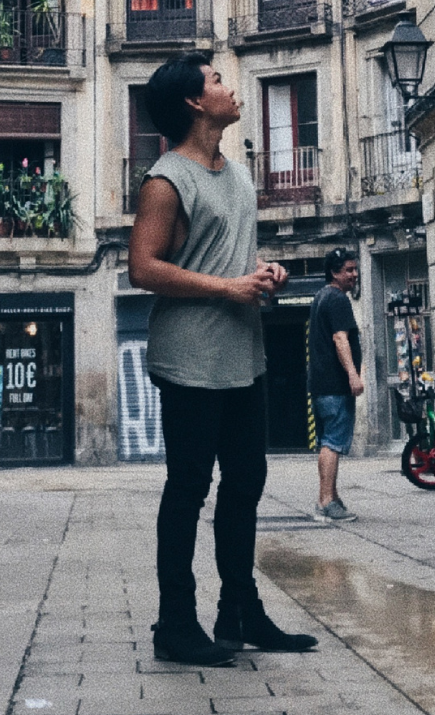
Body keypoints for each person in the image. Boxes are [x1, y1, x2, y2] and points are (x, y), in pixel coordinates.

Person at [128, 52, 318, 666]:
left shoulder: (236, 175)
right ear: (193, 102)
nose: (229, 88)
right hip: (189, 358)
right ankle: (174, 625)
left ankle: (239, 611)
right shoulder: (165, 180)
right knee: (187, 489)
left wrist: (263, 275)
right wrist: (229, 288)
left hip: (244, 353)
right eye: (216, 81)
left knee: (245, 484)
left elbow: (229, 257)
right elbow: (143, 267)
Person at [307, 247, 363, 521]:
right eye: (349, 270)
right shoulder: (338, 299)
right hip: (335, 386)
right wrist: (353, 374)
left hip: (320, 385)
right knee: (332, 443)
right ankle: (327, 501)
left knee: (328, 443)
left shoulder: (320, 297)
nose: (354, 274)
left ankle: (328, 497)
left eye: (355, 269)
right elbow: (340, 339)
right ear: (334, 272)